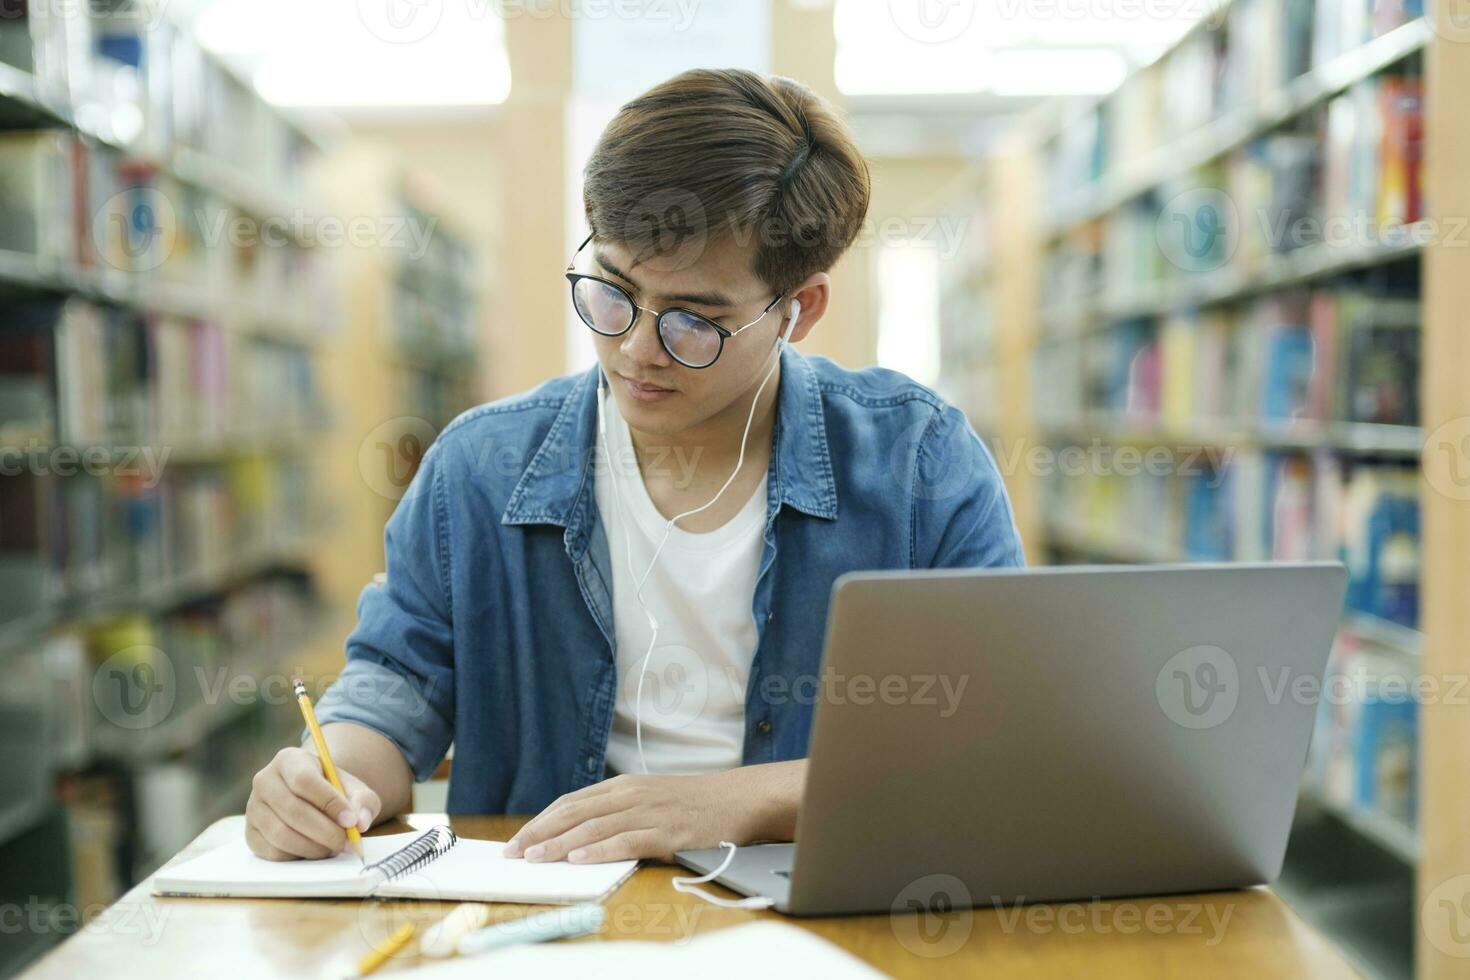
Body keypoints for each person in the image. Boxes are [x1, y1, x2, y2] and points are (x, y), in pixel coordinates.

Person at [244, 67, 1023, 865]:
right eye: (611, 291)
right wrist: (329, 777)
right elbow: (396, 684)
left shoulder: (919, 465)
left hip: (826, 920)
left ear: (800, 310)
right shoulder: (479, 469)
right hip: (548, 912)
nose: (635, 350)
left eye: (695, 320)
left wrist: (734, 802)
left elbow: (997, 735)